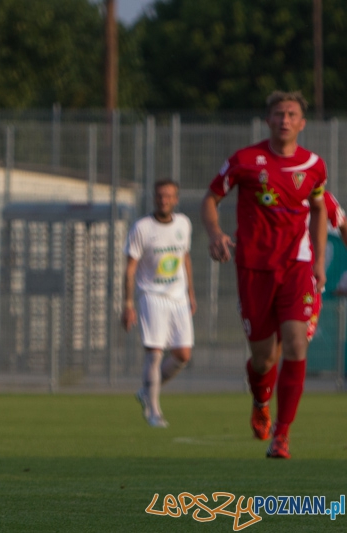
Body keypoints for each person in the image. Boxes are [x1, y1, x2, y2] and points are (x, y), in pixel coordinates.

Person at [201, 91, 328, 459]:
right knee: (263, 359)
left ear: (302, 123)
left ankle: (282, 435)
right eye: (278, 113)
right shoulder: (244, 160)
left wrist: (318, 259)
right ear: (268, 120)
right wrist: (215, 234)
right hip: (254, 268)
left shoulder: (314, 166)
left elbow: (319, 208)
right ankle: (260, 399)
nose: (284, 119)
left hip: (297, 266)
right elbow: (210, 198)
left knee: (295, 344)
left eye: (291, 114)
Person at [121, 180, 196, 428]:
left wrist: (191, 294)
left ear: (176, 199)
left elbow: (185, 258)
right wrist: (128, 304)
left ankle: (146, 391)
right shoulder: (142, 228)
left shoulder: (184, 224)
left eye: (169, 196)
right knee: (154, 355)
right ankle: (153, 411)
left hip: (178, 297)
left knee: (182, 355)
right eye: (160, 196)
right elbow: (130, 269)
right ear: (154, 198)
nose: (164, 200)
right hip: (152, 297)